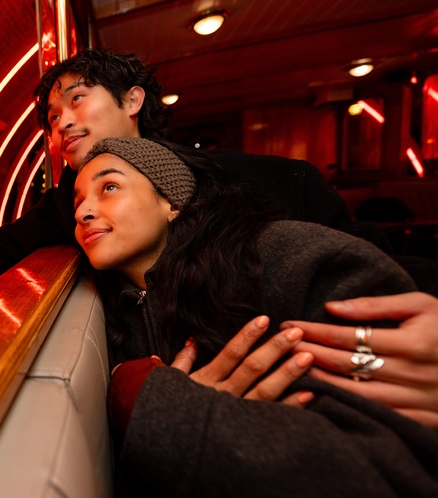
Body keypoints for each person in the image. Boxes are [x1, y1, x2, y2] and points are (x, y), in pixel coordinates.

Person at [0, 48, 438, 428]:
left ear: (133, 100)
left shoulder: (270, 188)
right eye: (52, 119)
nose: (62, 125)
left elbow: (362, 269)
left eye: (77, 100)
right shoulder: (67, 210)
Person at [75, 136, 438, 497]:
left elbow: (389, 472)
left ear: (172, 201)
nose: (84, 212)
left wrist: (145, 401)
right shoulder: (115, 315)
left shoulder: (286, 258)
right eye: (78, 201)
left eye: (109, 187)